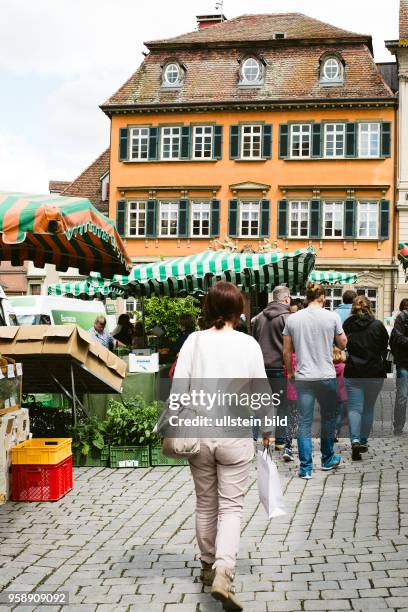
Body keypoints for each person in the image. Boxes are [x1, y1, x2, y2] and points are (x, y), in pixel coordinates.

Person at [173, 281, 267, 611]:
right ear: (238, 310)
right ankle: (224, 572)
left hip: (199, 431)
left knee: (205, 503)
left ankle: (206, 565)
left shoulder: (194, 342)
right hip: (234, 432)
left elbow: (177, 390)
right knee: (231, 507)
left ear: (208, 309)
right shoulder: (247, 344)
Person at [283, 282, 347, 479]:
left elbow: (286, 350)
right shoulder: (332, 316)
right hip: (326, 375)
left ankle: (306, 468)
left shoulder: (293, 319)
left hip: (304, 377)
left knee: (304, 421)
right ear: (323, 298)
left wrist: (291, 372)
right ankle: (327, 459)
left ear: (306, 297)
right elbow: (343, 343)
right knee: (328, 418)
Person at [343, 296, 389, 460]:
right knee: (368, 408)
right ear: (370, 307)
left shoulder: (348, 324)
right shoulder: (377, 325)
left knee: (355, 408)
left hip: (353, 370)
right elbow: (384, 346)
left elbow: (343, 344)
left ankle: (354, 439)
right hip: (374, 372)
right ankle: (363, 441)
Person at [252, 286, 291, 449]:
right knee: (282, 404)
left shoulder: (258, 318)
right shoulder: (288, 318)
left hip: (260, 367)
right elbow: (291, 346)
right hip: (279, 367)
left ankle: (253, 438)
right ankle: (280, 441)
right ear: (286, 299)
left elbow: (253, 342)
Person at [390, 299, 408, 435]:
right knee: (402, 395)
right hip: (404, 363)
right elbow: (398, 338)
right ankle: (398, 425)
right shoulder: (401, 318)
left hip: (403, 362)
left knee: (402, 395)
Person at [333, 346, 347, 440]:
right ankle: (335, 431)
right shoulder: (344, 367)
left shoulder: (328, 367)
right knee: (339, 415)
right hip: (342, 395)